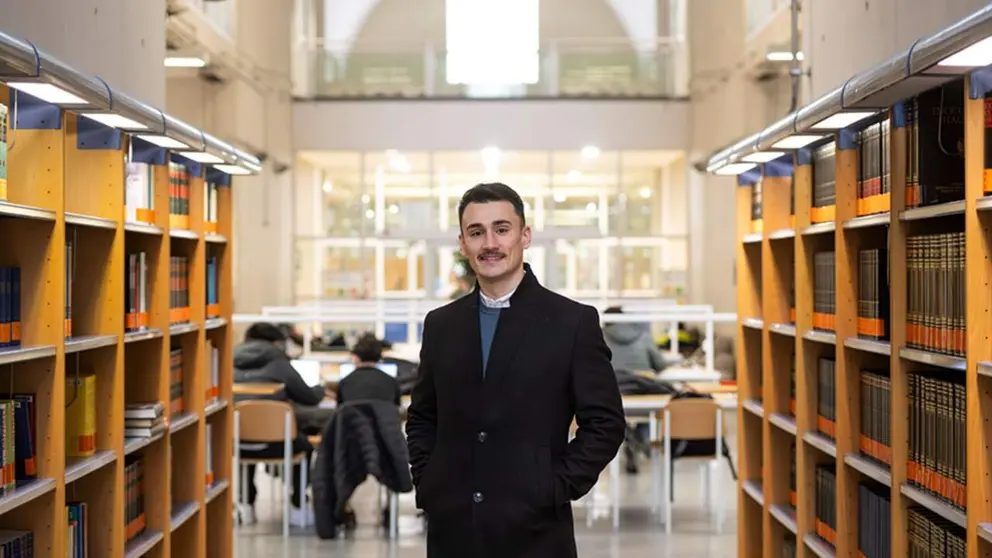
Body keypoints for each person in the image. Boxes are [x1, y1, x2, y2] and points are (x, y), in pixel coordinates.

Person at [406, 182, 626, 557]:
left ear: (524, 236)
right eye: (476, 232)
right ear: (463, 243)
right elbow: (423, 416)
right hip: (453, 529)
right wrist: (430, 483)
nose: (489, 243)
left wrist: (555, 487)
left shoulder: (571, 322)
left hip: (535, 530)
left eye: (501, 229)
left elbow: (605, 424)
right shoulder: (441, 325)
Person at [233, 322, 333, 526]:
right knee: (304, 446)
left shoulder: (228, 360)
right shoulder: (278, 362)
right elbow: (308, 397)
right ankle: (297, 505)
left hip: (236, 443)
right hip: (279, 445)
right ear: (276, 342)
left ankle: (247, 505)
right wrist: (321, 389)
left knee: (250, 438)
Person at [336, 332, 401, 407]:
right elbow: (396, 410)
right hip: (385, 418)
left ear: (356, 357)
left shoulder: (345, 383)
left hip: (355, 419)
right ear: (379, 357)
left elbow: (340, 411)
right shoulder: (392, 382)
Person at [601, 306, 669, 373]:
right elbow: (660, 365)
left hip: (611, 382)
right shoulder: (643, 336)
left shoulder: (601, 338)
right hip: (641, 382)